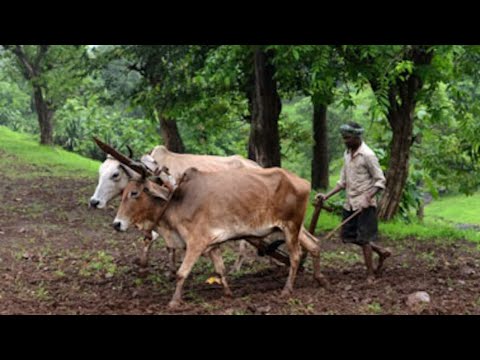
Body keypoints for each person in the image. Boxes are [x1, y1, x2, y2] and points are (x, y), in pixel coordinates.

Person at [316, 122, 391, 284]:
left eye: (348, 138)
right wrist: (326, 196)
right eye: (344, 138)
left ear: (357, 137)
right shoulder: (347, 154)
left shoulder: (368, 155)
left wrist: (368, 197)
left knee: (364, 239)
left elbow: (380, 181)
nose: (345, 141)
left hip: (365, 205)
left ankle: (370, 274)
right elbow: (342, 182)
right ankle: (381, 251)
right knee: (348, 236)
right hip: (350, 202)